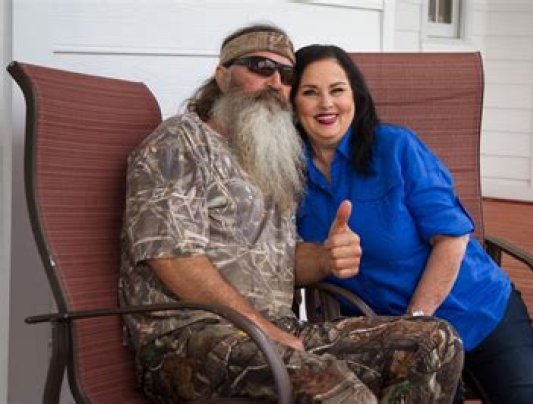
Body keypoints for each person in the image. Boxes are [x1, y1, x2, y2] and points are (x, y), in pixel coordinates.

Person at [119, 24, 464, 403]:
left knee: (432, 341)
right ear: (222, 76)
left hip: (275, 330)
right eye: (260, 67)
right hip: (186, 339)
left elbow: (282, 264)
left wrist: (325, 258)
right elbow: (173, 260)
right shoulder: (178, 143)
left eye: (286, 75)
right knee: (332, 385)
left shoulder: (270, 156)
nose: (275, 82)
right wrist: (261, 328)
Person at [292, 44, 533, 404]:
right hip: (382, 334)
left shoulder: (397, 148)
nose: (326, 104)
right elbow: (283, 258)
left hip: (474, 307)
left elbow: (451, 239)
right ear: (293, 103)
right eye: (310, 92)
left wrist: (416, 325)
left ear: (355, 96)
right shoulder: (286, 174)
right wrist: (322, 258)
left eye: (337, 90)